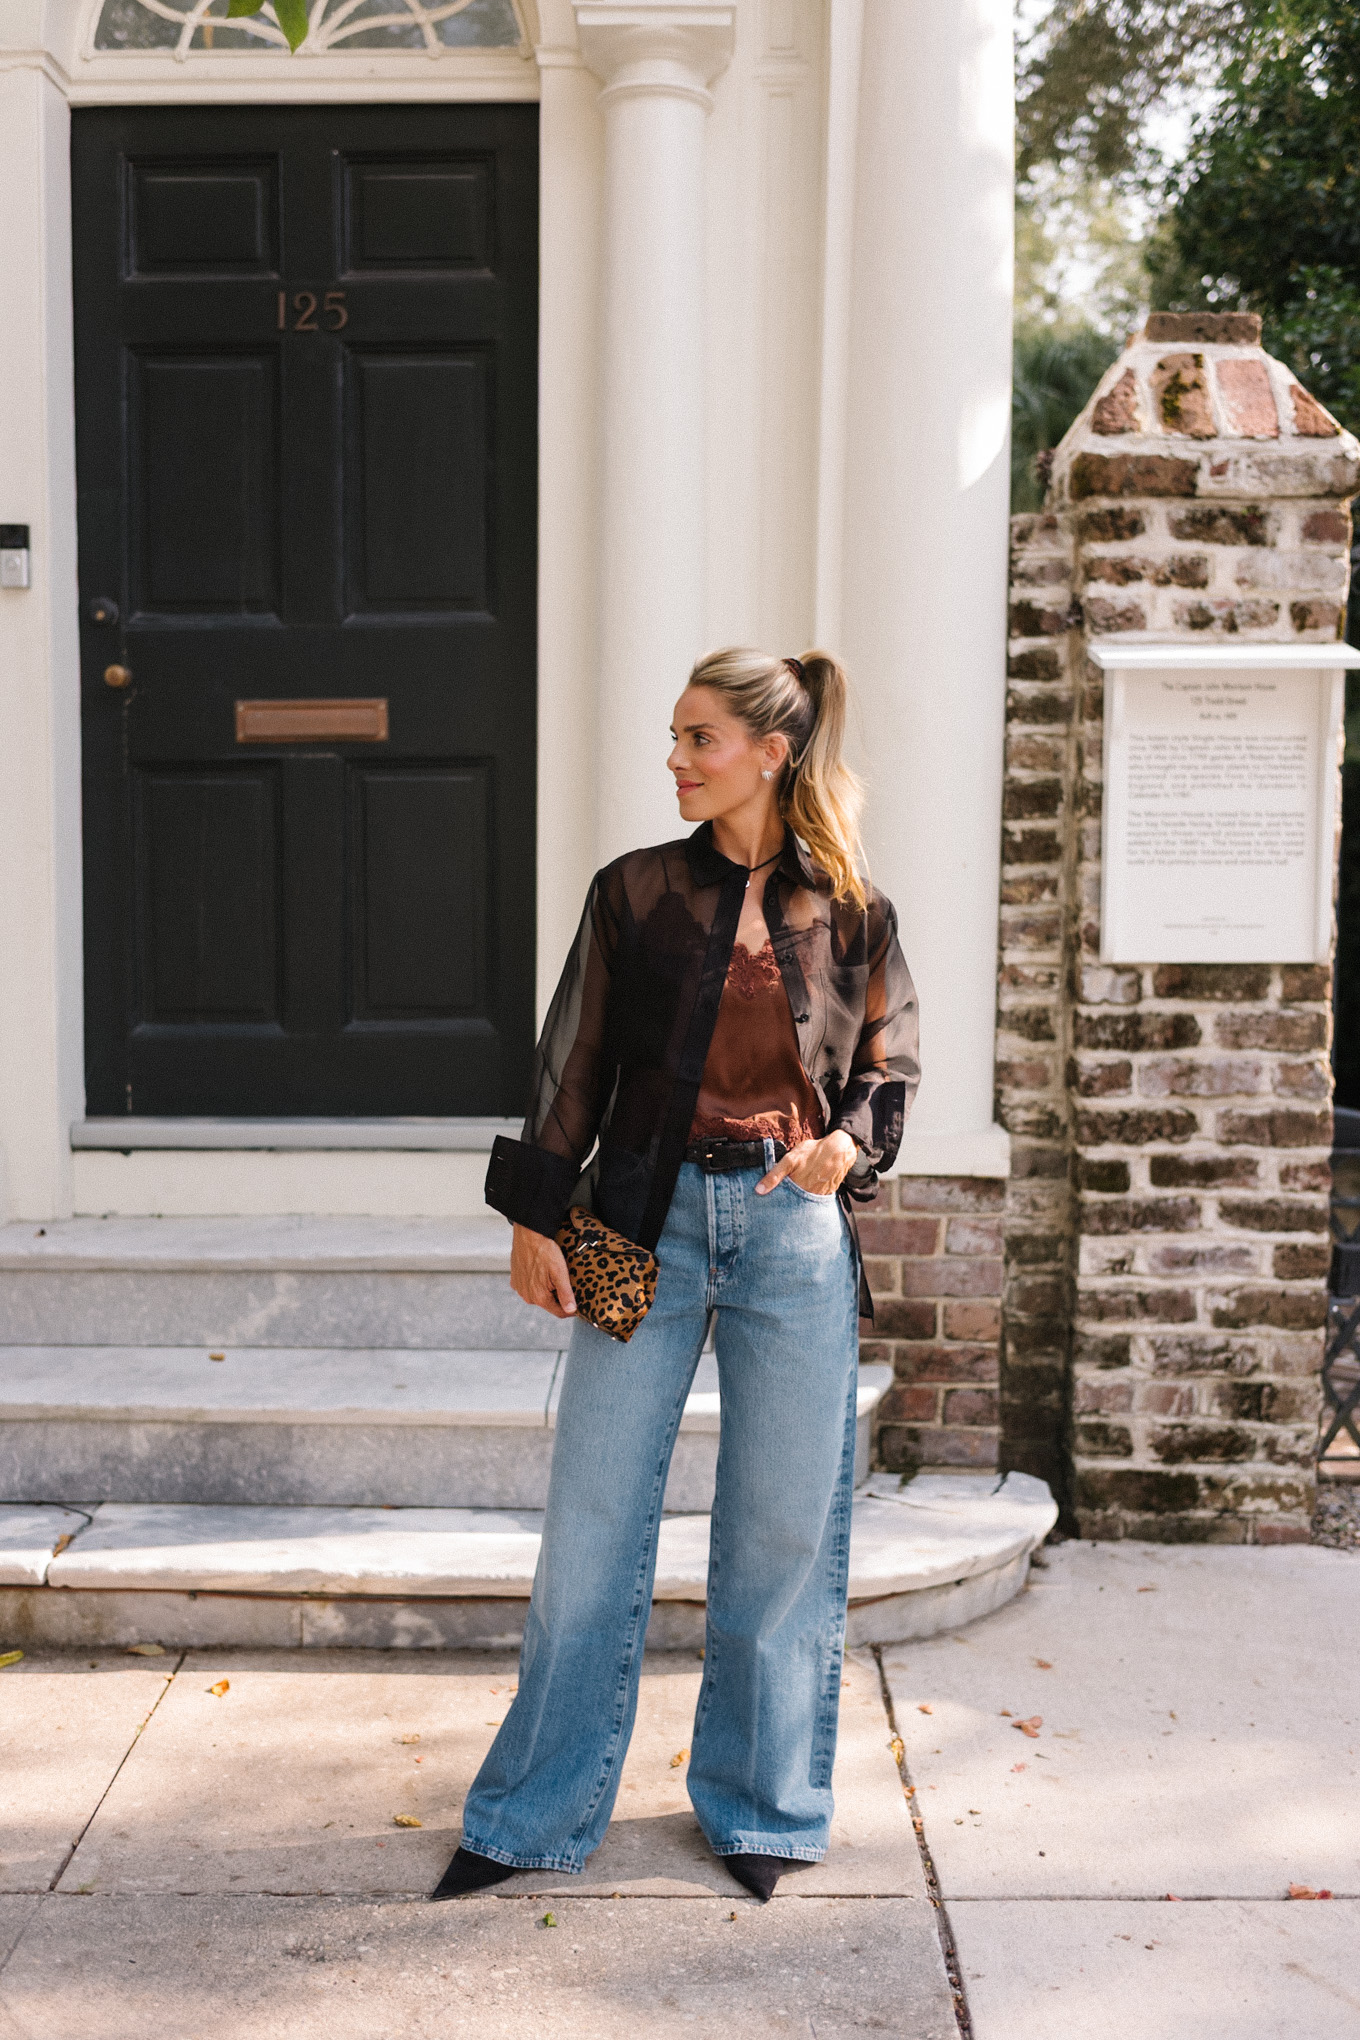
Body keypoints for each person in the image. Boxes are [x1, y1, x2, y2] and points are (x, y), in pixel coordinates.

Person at [433, 647, 919, 1905]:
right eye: (673, 737)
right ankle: (531, 1816)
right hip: (640, 1228)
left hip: (793, 1237)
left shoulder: (852, 907)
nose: (675, 760)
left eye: (698, 739)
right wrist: (536, 1219)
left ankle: (761, 1810)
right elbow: (573, 1060)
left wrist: (841, 1147)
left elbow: (886, 1072)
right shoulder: (634, 892)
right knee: (592, 1523)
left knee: (781, 1533)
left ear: (772, 749)